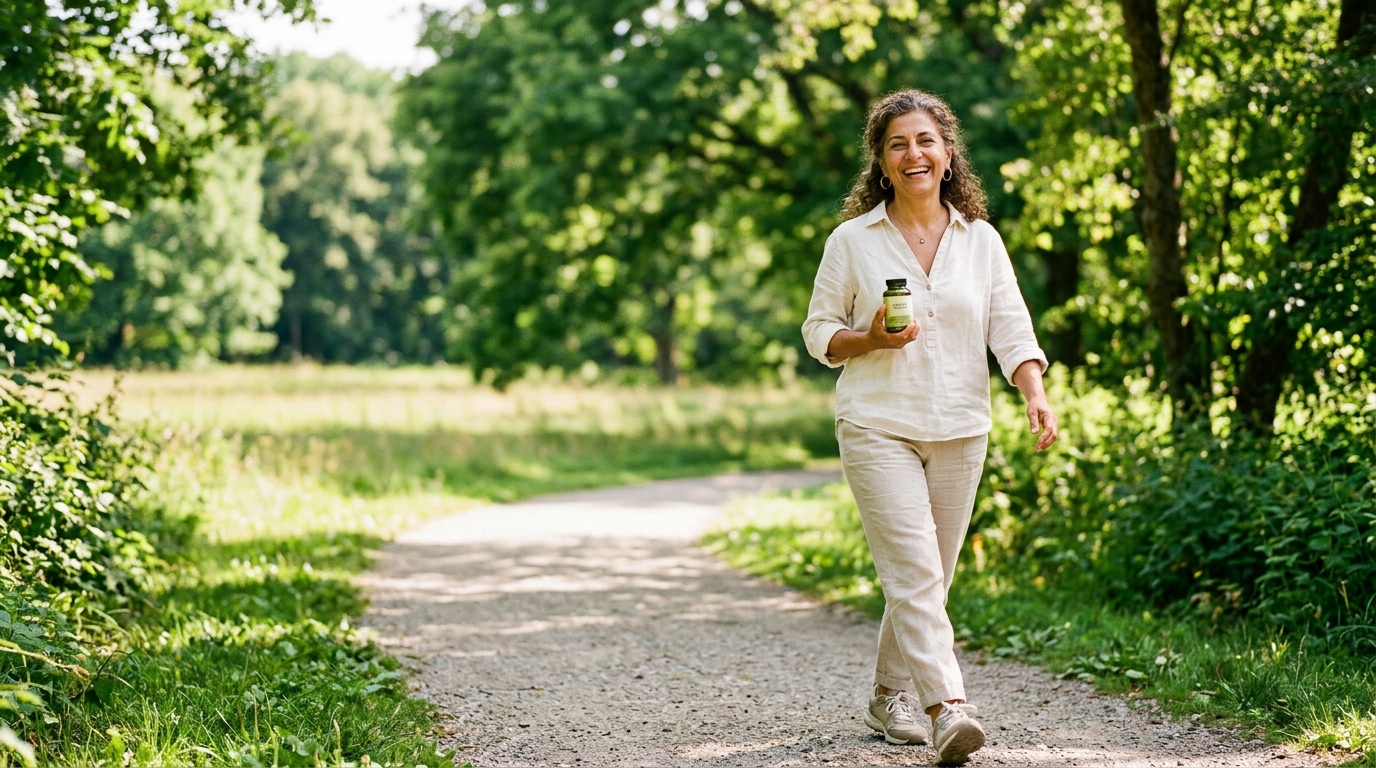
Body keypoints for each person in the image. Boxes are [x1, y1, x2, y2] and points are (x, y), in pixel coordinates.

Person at [801, 89, 1059, 766]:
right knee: (915, 572)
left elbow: (1010, 323)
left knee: (928, 578)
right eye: (896, 145)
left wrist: (1033, 392)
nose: (912, 154)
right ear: (882, 165)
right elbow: (818, 333)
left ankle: (888, 695)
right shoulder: (852, 240)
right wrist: (868, 340)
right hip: (877, 423)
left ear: (947, 155)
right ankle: (950, 708)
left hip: (961, 426)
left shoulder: (980, 240)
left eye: (924, 141)